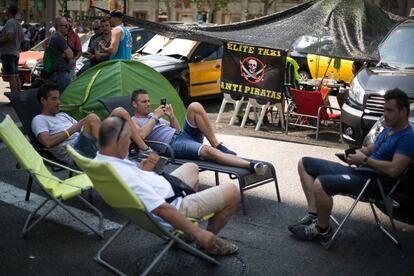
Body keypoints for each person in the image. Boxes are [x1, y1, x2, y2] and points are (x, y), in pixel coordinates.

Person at [96, 116, 240, 255]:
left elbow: (137, 184)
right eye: (128, 139)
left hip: (165, 190)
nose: (129, 143)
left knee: (191, 167)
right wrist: (200, 233)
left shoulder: (102, 160)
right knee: (232, 191)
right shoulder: (125, 174)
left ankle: (185, 235)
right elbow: (162, 210)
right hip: (175, 207)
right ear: (118, 141)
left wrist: (145, 169)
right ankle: (205, 241)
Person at [288, 88, 414, 242]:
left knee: (320, 184)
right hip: (361, 172)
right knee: (304, 163)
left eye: (389, 110)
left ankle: (322, 230)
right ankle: (313, 217)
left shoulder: (408, 138)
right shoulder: (389, 130)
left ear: (403, 111)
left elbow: (395, 170)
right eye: (384, 110)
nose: (384, 114)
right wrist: (354, 154)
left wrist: (364, 161)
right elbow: (370, 149)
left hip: (375, 184)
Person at [131, 89, 268, 175]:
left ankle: (217, 145)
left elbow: (177, 130)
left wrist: (171, 117)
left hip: (181, 137)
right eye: (144, 102)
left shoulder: (151, 116)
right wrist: (155, 117)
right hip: (172, 145)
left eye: (148, 101)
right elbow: (141, 136)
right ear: (134, 104)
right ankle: (251, 164)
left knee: (194, 106)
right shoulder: (134, 121)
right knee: (208, 151)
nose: (148, 104)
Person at [31, 83, 150, 164]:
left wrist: (86, 122)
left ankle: (145, 150)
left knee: (119, 112)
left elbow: (82, 130)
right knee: (92, 118)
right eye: (54, 99)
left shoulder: (63, 115)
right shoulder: (39, 119)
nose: (58, 102)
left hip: (89, 144)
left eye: (58, 98)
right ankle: (113, 150)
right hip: (76, 152)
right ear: (43, 101)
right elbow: (47, 143)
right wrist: (74, 128)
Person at [0, 5, 23, 92]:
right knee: (16, 75)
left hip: (8, 52)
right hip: (16, 52)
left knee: (11, 76)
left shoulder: (10, 22)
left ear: (8, 12)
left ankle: (14, 98)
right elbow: (22, 38)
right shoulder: (18, 23)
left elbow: (10, 36)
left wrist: (1, 40)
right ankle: (18, 97)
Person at [48, 17, 73, 92]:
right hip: (61, 74)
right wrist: (66, 54)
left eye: (68, 26)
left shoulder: (54, 37)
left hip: (57, 73)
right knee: (64, 99)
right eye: (66, 26)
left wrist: (66, 54)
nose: (67, 28)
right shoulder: (58, 38)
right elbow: (70, 55)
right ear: (59, 26)